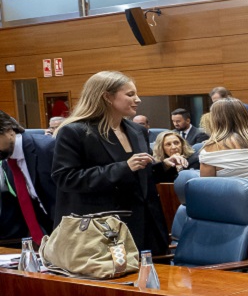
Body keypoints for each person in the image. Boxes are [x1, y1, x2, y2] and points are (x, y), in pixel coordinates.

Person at [52, 71, 187, 255]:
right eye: (130, 94)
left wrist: (164, 166)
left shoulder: (137, 130)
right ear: (107, 97)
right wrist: (124, 167)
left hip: (147, 226)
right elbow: (66, 178)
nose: (138, 99)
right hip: (103, 230)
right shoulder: (75, 132)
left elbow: (140, 177)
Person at [0, 110, 56, 245]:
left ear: (9, 130)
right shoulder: (8, 162)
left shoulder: (48, 147)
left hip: (73, 229)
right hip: (48, 236)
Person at [198, 98, 248, 184]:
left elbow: (206, 187)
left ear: (215, 120)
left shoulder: (210, 149)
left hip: (230, 193)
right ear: (246, 115)